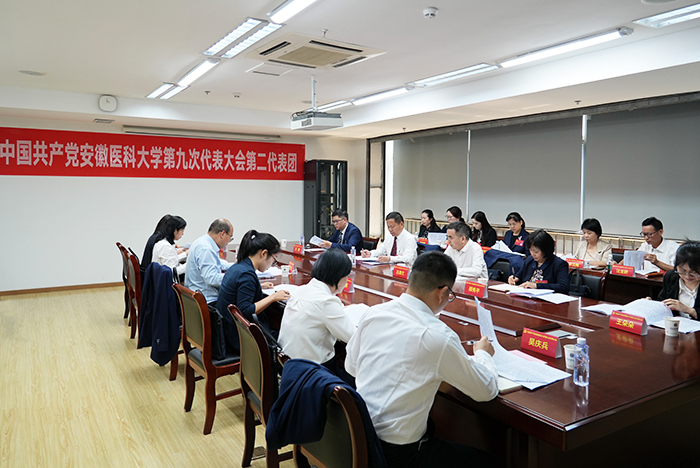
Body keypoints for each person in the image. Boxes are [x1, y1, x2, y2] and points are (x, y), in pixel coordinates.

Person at [346, 251, 498, 468]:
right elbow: (485, 390)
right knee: (488, 462)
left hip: (357, 436)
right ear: (442, 292)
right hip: (397, 454)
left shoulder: (374, 313)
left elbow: (351, 367)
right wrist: (483, 354)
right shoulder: (438, 336)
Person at [278, 248, 355, 383]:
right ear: (339, 275)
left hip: (288, 365)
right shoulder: (326, 302)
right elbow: (352, 336)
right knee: (355, 379)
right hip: (311, 373)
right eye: (347, 275)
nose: (348, 279)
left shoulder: (302, 289)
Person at [217, 230, 290, 353]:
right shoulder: (247, 275)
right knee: (286, 338)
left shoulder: (238, 267)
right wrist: (273, 297)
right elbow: (245, 310)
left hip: (226, 331)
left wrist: (258, 286)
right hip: (239, 338)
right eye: (274, 259)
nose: (273, 263)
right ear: (264, 253)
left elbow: (238, 289)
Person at [184, 218, 234, 306]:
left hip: (198, 297)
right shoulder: (206, 248)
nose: (229, 241)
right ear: (222, 234)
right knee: (243, 305)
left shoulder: (203, 242)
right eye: (230, 237)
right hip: (207, 302)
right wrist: (235, 277)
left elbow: (217, 263)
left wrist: (237, 267)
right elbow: (212, 279)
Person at [508, 229, 569, 294]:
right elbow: (519, 277)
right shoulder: (529, 260)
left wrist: (536, 286)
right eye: (531, 250)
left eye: (536, 251)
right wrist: (514, 279)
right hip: (527, 296)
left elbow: (563, 287)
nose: (533, 254)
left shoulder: (559, 264)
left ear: (546, 250)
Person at [658, 241, 700, 320]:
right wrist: (651, 304)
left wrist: (690, 310)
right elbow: (662, 300)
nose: (687, 276)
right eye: (682, 271)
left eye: (694, 273)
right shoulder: (671, 277)